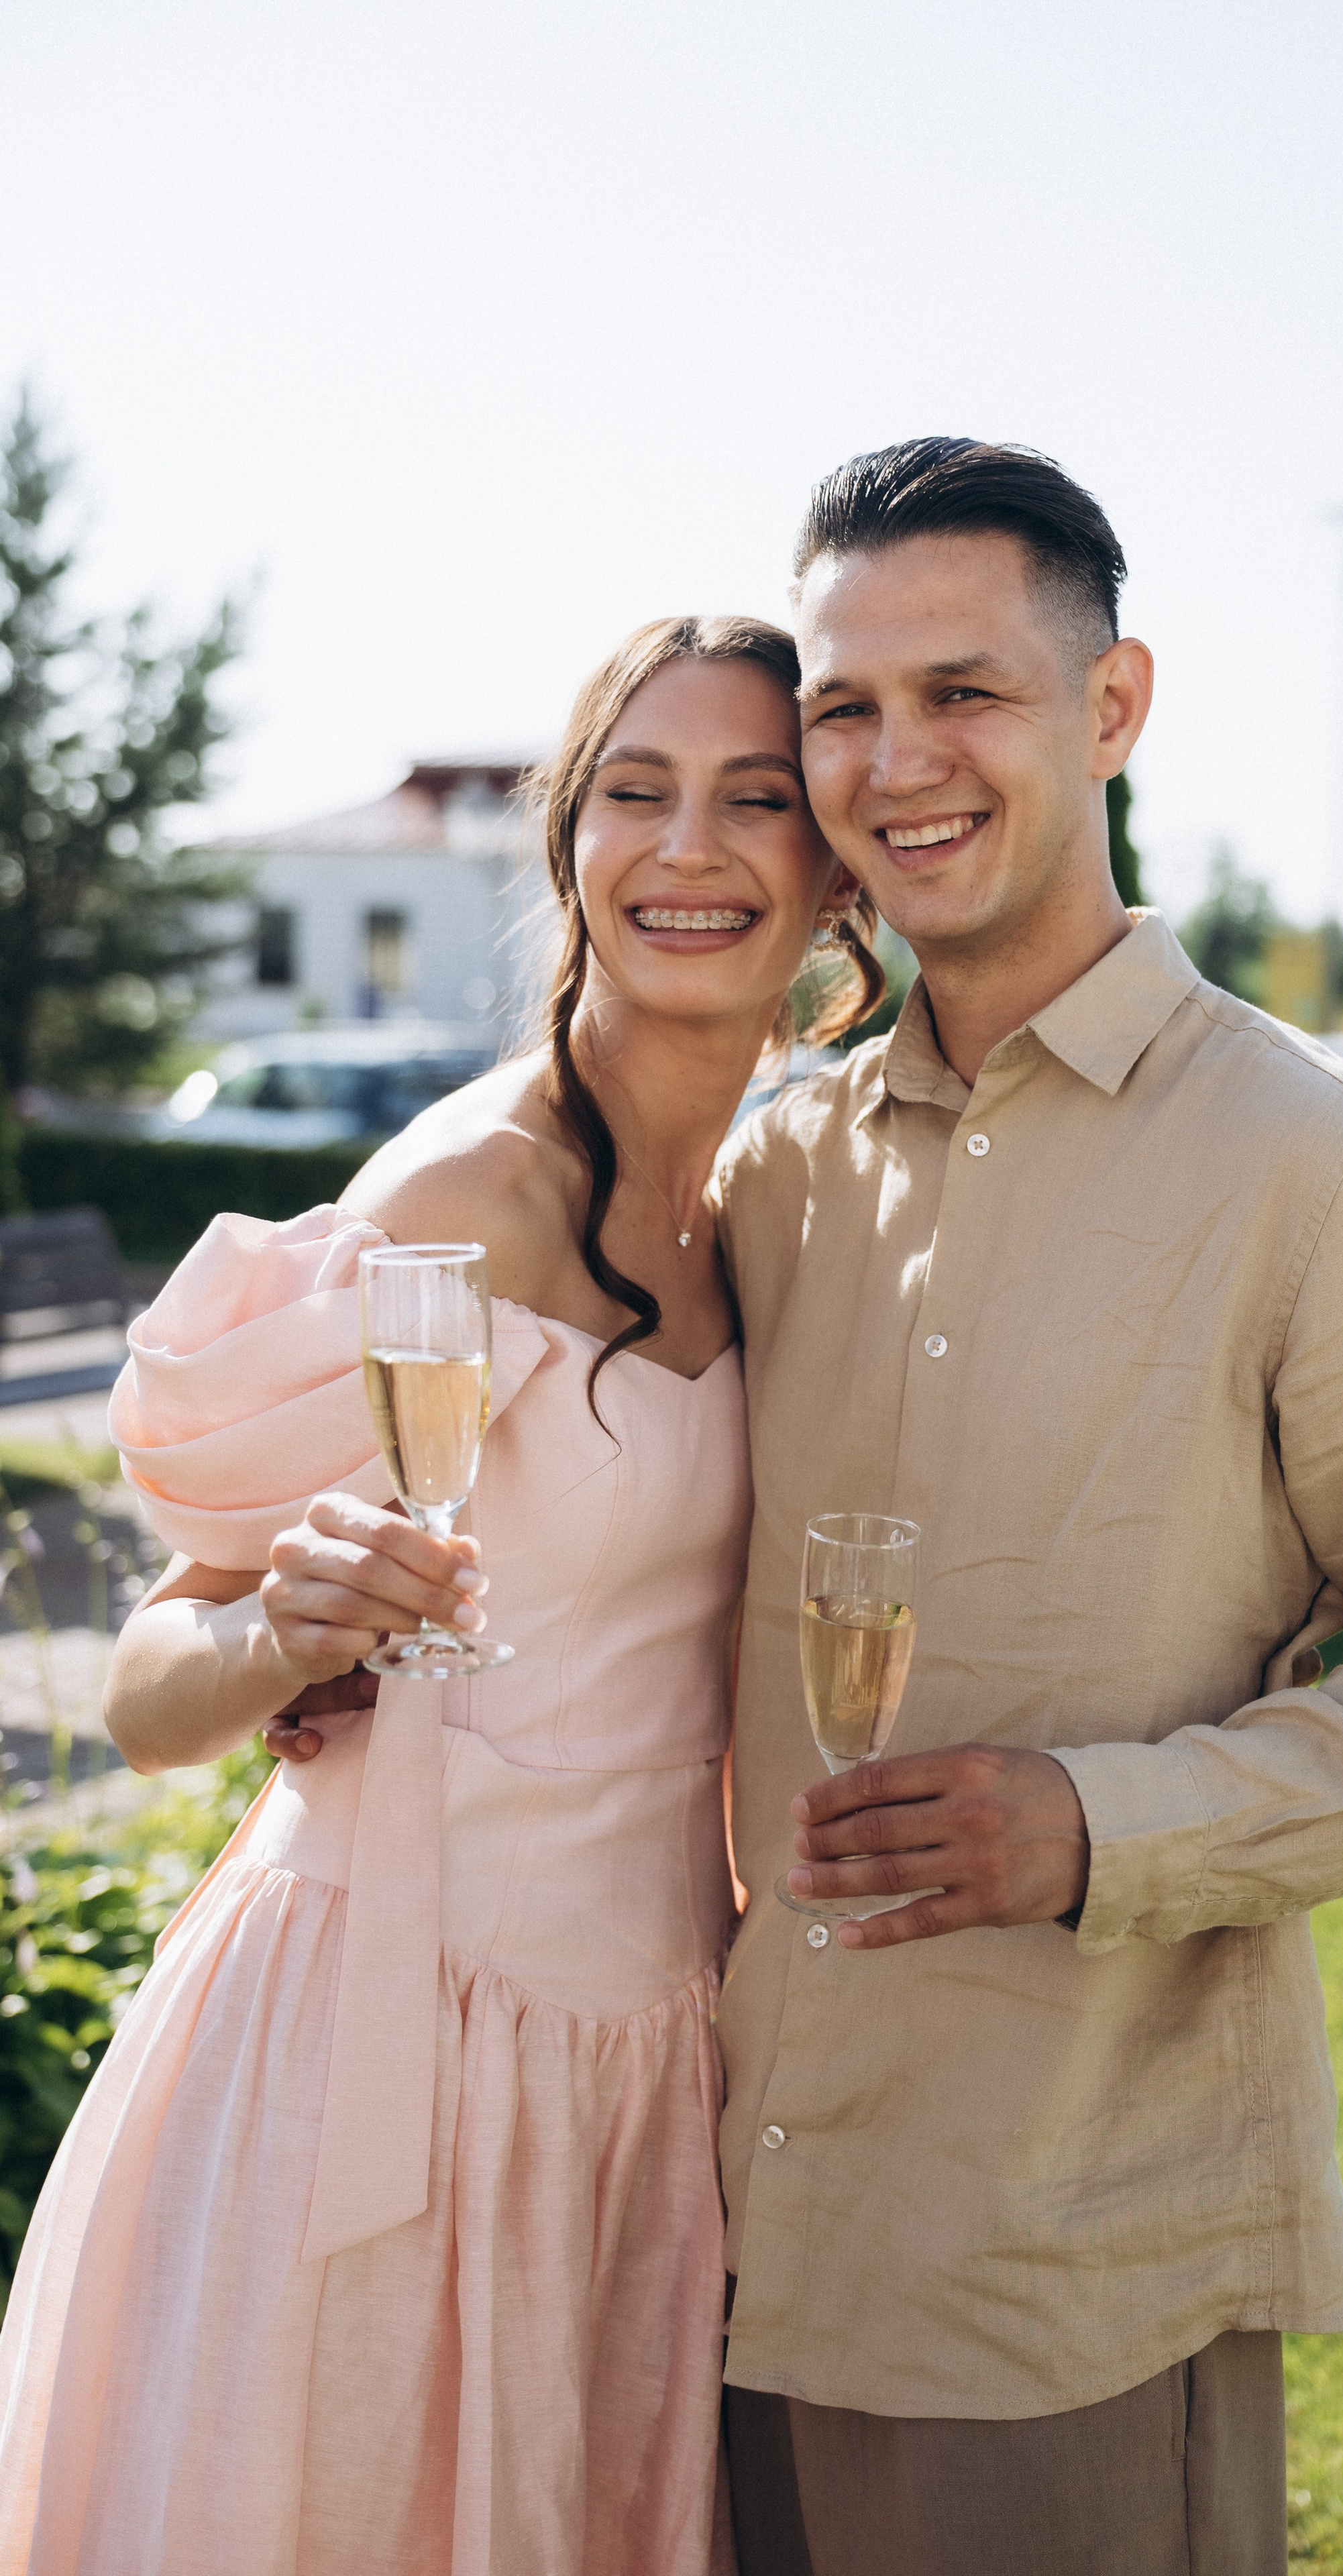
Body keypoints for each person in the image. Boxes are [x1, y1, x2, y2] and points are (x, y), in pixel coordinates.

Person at [713, 440, 1343, 2576]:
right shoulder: (776, 1172)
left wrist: (1105, 1827)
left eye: (966, 693)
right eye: (843, 706)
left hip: (1066, 2275)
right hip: (730, 2245)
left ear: (1112, 709)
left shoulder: (1320, 1167)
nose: (895, 761)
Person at [0, 614, 881, 2576]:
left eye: (756, 799)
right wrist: (286, 1630)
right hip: (378, 2040)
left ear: (832, 868)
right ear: (566, 846)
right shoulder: (457, 1203)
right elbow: (153, 1680)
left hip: (642, 2056)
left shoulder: (766, 1204)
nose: (691, 848)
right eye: (634, 793)